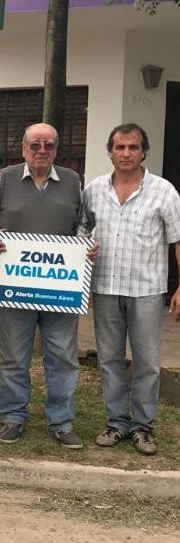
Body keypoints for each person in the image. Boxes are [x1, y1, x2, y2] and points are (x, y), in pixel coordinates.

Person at [0, 123, 90, 449]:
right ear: (24, 148)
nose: (42, 151)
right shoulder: (6, 177)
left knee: (63, 357)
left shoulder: (72, 181)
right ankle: (13, 417)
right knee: (12, 356)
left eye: (48, 145)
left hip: (60, 288)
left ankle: (61, 422)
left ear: (56, 150)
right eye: (35, 145)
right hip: (15, 286)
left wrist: (82, 246)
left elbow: (83, 223)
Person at [82, 122, 180, 456]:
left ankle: (143, 426)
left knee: (148, 361)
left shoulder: (164, 191)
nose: (126, 153)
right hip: (105, 287)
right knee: (109, 359)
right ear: (110, 151)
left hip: (147, 290)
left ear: (144, 152)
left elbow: (178, 240)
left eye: (133, 147)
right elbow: (81, 233)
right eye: (120, 147)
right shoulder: (93, 190)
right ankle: (116, 422)